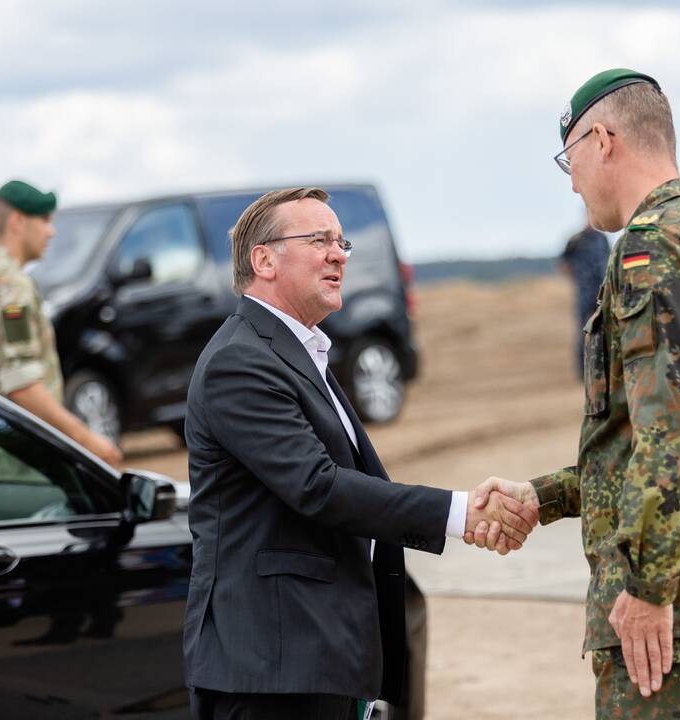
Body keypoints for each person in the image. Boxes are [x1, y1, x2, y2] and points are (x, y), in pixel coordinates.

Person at [469, 69, 680, 719]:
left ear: (604, 139)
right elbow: (668, 435)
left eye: (571, 159)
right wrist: (545, 496)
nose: (574, 180)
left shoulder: (651, 248)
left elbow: (673, 434)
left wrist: (647, 586)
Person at [182, 187, 538, 720]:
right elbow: (318, 487)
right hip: (270, 670)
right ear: (265, 260)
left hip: (313, 658)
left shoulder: (297, 351)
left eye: (341, 240)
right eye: (319, 240)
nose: (339, 253)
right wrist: (460, 513)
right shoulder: (241, 362)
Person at [0, 180, 122, 466]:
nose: (51, 231)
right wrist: (87, 441)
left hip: (1, 449)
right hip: (18, 457)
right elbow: (21, 384)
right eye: (44, 220)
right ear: (17, 221)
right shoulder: (9, 283)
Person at [560, 220, 611, 378]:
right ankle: (582, 372)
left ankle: (603, 369)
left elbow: (608, 260)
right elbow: (564, 263)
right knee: (583, 331)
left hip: (601, 291)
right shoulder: (575, 240)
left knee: (605, 329)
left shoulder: (602, 239)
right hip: (584, 292)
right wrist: (577, 279)